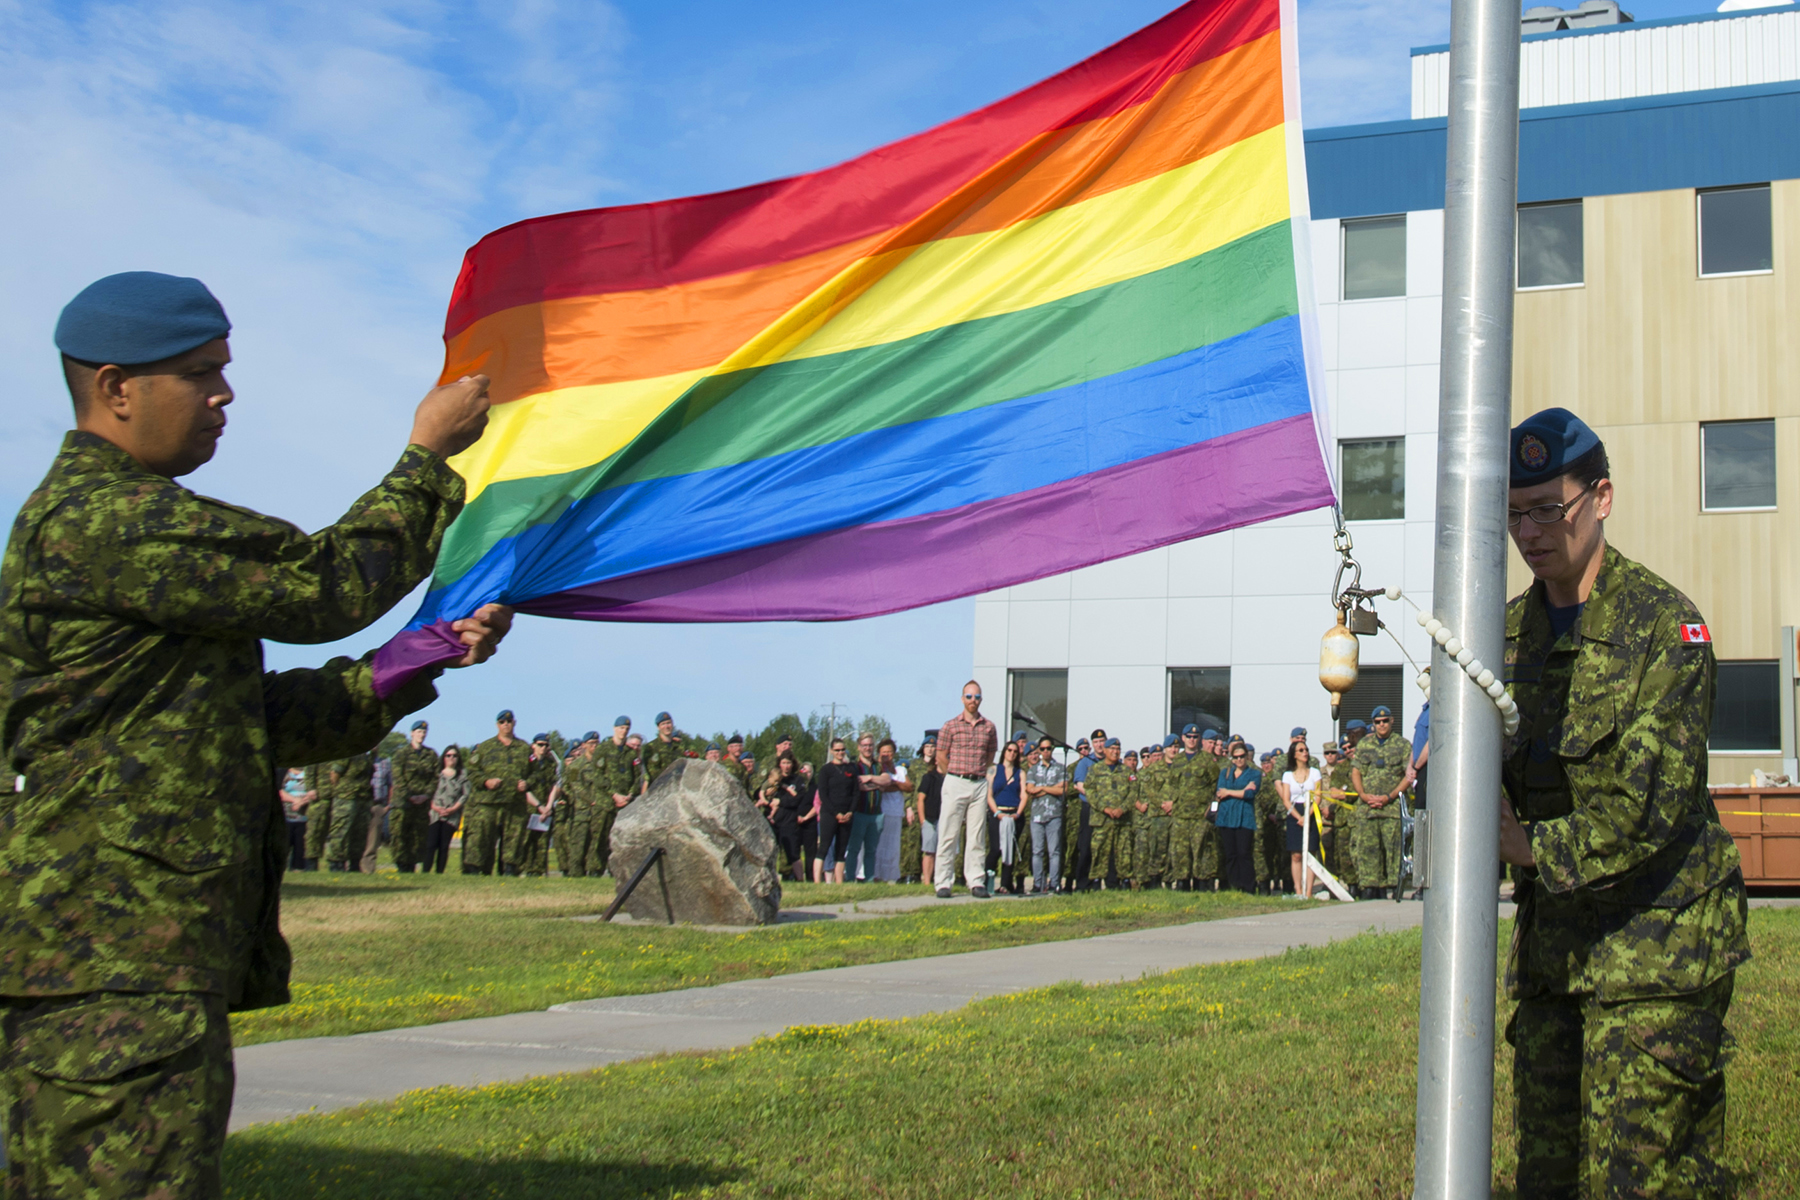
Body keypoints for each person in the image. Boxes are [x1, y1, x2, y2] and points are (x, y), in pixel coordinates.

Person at [0, 270, 506, 1199]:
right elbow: (325, 586)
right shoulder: (108, 521)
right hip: (111, 958)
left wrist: (401, 667)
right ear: (116, 388)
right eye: (199, 374)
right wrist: (427, 459)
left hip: (126, 957)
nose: (224, 395)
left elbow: (241, 725)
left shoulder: (127, 530)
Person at [1496, 408, 1749, 1196]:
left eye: (1548, 509)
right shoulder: (1503, 638)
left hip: (1658, 956)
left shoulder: (1666, 629)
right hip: (1556, 960)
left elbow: (1653, 804)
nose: (1531, 532)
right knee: (1547, 1171)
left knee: (1640, 1178)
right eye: (1513, 515)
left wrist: (1525, 847)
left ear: (1600, 499)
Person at [934, 681, 999, 899]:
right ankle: (943, 882)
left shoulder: (989, 727)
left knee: (977, 835)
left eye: (977, 697)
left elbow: (990, 756)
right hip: (955, 780)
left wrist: (979, 773)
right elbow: (941, 756)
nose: (973, 701)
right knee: (948, 833)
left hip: (979, 783)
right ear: (962, 699)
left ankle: (976, 881)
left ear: (981, 699)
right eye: (969, 697)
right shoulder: (950, 726)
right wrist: (952, 775)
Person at [1351, 705, 1411, 900]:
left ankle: (1395, 888)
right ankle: (1370, 888)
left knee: (1393, 851)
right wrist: (1363, 795)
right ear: (1373, 724)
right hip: (1368, 809)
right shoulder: (1364, 745)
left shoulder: (1402, 745)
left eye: (1385, 721)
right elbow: (1356, 771)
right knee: (1367, 849)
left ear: (1391, 721)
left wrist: (1390, 796)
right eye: (1378, 722)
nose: (1382, 725)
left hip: (1391, 809)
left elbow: (1408, 776)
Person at [463, 710, 533, 876]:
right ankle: (474, 871)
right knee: (480, 838)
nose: (506, 725)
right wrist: (485, 782)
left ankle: (509, 871)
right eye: (502, 722)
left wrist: (527, 783)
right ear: (497, 725)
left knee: (514, 839)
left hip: (514, 802)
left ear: (514, 723)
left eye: (509, 721)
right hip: (489, 801)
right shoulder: (486, 747)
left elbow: (537, 772)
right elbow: (472, 771)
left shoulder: (524, 748)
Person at [1166, 725, 1215, 891]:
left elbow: (1216, 787)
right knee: (1180, 852)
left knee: (1202, 851)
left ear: (1199, 739)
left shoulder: (1207, 760)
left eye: (1195, 737)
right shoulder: (1177, 761)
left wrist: (1212, 811)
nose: (1192, 740)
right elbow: (1172, 785)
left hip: (1200, 815)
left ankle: (1202, 885)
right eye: (1189, 737)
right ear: (1183, 738)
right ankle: (1182, 884)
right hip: (1180, 815)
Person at [389, 720, 440, 873]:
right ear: (412, 733)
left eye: (424, 732)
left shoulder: (430, 755)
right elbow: (398, 778)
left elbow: (435, 778)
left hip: (422, 803)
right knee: (400, 834)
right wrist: (409, 796)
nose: (422, 735)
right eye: (419, 732)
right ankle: (401, 865)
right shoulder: (401, 754)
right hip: (403, 803)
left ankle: (412, 864)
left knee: (418, 836)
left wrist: (425, 796)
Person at [1084, 740, 1134, 888]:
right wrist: (1104, 808)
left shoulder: (1127, 771)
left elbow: (1133, 792)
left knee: (1124, 851)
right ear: (1105, 750)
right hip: (1101, 819)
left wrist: (1122, 809)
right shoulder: (1095, 770)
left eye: (1118, 749)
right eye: (1112, 748)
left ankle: (1124, 881)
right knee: (1099, 850)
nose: (1115, 752)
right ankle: (1096, 881)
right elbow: (1090, 792)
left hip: (1122, 820)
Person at [592, 717, 638, 876]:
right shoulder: (603, 749)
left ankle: (616, 872)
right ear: (614, 729)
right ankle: (595, 871)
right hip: (605, 803)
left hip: (624, 805)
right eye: (621, 728)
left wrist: (630, 794)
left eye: (626, 728)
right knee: (600, 839)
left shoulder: (630, 753)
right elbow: (597, 775)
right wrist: (613, 794)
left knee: (620, 841)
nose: (623, 731)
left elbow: (637, 776)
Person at [1214, 742, 1261, 893]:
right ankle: (1234, 885)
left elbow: (1250, 794)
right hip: (1226, 817)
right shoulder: (1225, 773)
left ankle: (1248, 887)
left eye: (1242, 756)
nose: (1239, 759)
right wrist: (1239, 790)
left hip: (1244, 818)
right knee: (1230, 854)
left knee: (1244, 854)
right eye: (1236, 757)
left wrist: (1230, 792)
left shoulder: (1255, 773)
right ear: (1232, 759)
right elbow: (1220, 792)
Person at [1024, 736, 1066, 897]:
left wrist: (1042, 788)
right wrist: (1051, 788)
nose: (1045, 751)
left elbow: (1063, 789)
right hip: (1037, 816)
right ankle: (1037, 884)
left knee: (1054, 851)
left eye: (1048, 748)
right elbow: (1030, 789)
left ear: (1052, 749)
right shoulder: (1034, 769)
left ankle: (1054, 884)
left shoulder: (1060, 768)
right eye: (1042, 749)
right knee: (1037, 851)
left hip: (1054, 814)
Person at [1278, 740, 1320, 898]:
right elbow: (1286, 799)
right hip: (1294, 813)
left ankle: (1309, 891)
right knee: (1296, 854)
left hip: (1311, 811)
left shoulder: (1315, 772)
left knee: (1310, 852)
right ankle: (1298, 890)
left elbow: (1318, 796)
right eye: (1301, 750)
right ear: (1294, 755)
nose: (1305, 753)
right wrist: (1298, 816)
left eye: (1306, 750)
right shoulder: (1287, 775)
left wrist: (1307, 816)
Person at [844, 733, 887, 883]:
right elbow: (857, 786)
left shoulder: (878, 765)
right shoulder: (854, 766)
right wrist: (877, 785)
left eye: (870, 745)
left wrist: (869, 779)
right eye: (865, 745)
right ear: (859, 747)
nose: (868, 748)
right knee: (854, 849)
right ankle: (849, 879)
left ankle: (869, 879)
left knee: (871, 850)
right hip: (859, 813)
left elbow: (887, 781)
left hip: (876, 814)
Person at [558, 732, 602, 877]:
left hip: (598, 811)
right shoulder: (576, 765)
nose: (594, 746)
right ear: (584, 746)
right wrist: (592, 800)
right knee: (578, 846)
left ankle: (595, 873)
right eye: (591, 744)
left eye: (596, 743)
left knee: (596, 846)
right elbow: (574, 786)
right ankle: (575, 875)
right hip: (581, 811)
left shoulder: (601, 763)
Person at [324, 750, 375, 873]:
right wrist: (342, 791)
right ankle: (336, 863)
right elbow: (335, 773)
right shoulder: (349, 751)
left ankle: (355, 864)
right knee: (340, 831)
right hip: (346, 798)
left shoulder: (369, 755)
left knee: (360, 833)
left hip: (363, 798)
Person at [816, 739, 859, 884]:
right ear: (831, 751)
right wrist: (836, 813)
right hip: (829, 813)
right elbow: (823, 794)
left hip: (847, 814)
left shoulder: (851, 769)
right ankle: (817, 881)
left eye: (842, 749)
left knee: (841, 850)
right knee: (824, 846)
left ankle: (839, 882)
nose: (840, 753)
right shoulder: (826, 770)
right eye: (837, 750)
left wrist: (850, 812)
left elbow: (855, 793)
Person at [765, 751, 812, 882]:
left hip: (789, 820)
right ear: (779, 764)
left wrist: (781, 802)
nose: (786, 766)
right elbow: (761, 792)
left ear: (793, 764)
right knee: (770, 853)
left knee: (793, 853)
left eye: (788, 763)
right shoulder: (774, 778)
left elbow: (799, 798)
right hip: (773, 820)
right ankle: (770, 880)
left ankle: (800, 880)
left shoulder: (797, 780)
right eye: (783, 763)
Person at [987, 739, 1026, 893]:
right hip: (998, 813)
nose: (1012, 754)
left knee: (1009, 850)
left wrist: (1017, 814)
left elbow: (1024, 795)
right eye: (1009, 750)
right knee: (996, 848)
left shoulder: (1020, 772)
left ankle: (1006, 884)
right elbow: (989, 794)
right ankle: (986, 879)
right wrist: (997, 813)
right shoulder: (994, 770)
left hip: (1014, 814)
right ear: (1004, 752)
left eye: (1015, 751)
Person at [520, 733, 559, 876]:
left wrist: (548, 806)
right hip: (529, 809)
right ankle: (525, 870)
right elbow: (525, 789)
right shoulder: (528, 764)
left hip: (546, 810)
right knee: (526, 842)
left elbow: (555, 785)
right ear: (533, 746)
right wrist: (539, 806)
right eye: (540, 745)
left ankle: (539, 873)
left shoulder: (550, 764)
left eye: (546, 745)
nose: (543, 748)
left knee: (542, 845)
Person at [426, 745, 470, 875]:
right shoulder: (436, 774)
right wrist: (434, 807)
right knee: (430, 845)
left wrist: (453, 809)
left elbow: (465, 795)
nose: (451, 758)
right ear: (444, 757)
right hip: (434, 814)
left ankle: (439, 872)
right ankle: (425, 871)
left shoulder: (462, 776)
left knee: (444, 846)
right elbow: (428, 792)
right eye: (448, 755)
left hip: (452, 816)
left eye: (455, 756)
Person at [873, 738, 908, 882]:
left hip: (895, 812)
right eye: (884, 752)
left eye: (889, 751)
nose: (887, 754)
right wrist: (896, 785)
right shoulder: (876, 768)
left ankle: (889, 877)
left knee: (892, 847)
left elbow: (909, 787)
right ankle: (875, 876)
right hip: (880, 810)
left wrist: (892, 783)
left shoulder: (900, 770)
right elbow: (880, 787)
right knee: (878, 845)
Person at [914, 738, 943, 886]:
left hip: (944, 819)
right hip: (930, 819)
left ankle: (939, 880)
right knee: (929, 851)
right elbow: (920, 799)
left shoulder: (950, 778)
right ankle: (926, 881)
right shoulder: (928, 777)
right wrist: (923, 820)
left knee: (943, 852)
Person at [641, 711, 685, 792]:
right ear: (658, 727)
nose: (666, 726)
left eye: (668, 723)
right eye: (663, 724)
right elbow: (651, 773)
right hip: (658, 791)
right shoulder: (650, 747)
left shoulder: (680, 746)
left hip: (678, 789)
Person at [279, 767, 311, 870]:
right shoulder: (282, 772)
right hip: (285, 817)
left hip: (305, 818)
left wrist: (301, 802)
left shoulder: (310, 772)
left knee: (300, 848)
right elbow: (278, 790)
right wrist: (294, 800)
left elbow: (315, 790)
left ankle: (298, 869)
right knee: (283, 848)